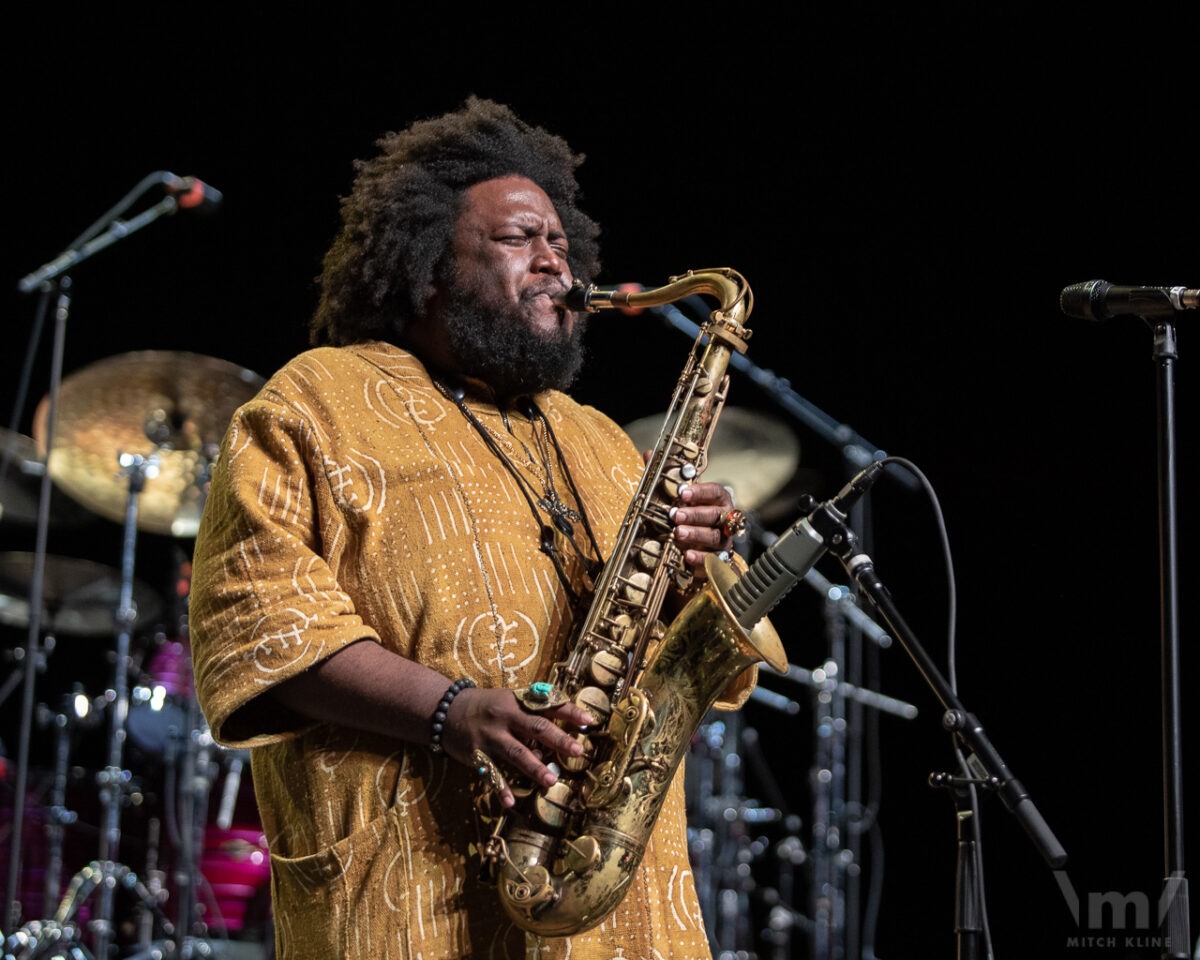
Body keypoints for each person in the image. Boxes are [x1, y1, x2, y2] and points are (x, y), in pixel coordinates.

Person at [190, 97, 752, 960]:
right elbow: (258, 624)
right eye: (519, 239)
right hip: (409, 895)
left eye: (561, 243)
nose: (555, 264)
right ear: (427, 266)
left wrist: (694, 567)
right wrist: (454, 711)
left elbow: (667, 652)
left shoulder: (601, 438)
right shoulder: (314, 402)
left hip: (616, 905)